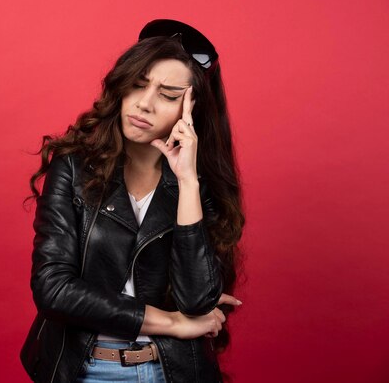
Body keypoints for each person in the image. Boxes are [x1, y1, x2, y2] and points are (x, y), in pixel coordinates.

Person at [21, 19, 245, 383]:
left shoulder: (200, 182)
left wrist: (187, 182)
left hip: (171, 371)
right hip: (81, 368)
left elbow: (197, 301)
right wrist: (171, 321)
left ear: (192, 111)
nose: (144, 104)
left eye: (168, 95)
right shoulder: (75, 168)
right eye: (138, 86)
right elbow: (53, 288)